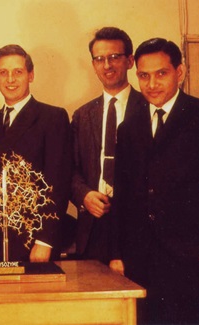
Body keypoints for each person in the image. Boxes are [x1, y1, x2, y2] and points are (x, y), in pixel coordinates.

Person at [113, 38, 199, 325]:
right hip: (137, 264)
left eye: (161, 73)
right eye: (144, 75)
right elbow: (123, 198)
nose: (152, 83)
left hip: (186, 262)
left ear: (180, 72)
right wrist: (117, 254)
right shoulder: (128, 128)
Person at [0, 44, 72, 262]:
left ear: (30, 75)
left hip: (34, 238)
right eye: (3, 72)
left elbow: (58, 185)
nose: (10, 79)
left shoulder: (53, 118)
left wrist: (45, 241)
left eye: (18, 72)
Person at [71, 27, 145, 268]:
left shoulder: (148, 108)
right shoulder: (82, 115)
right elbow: (69, 169)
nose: (107, 65)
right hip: (93, 226)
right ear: (93, 64)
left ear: (130, 60)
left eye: (114, 57)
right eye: (100, 59)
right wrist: (83, 195)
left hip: (138, 227)